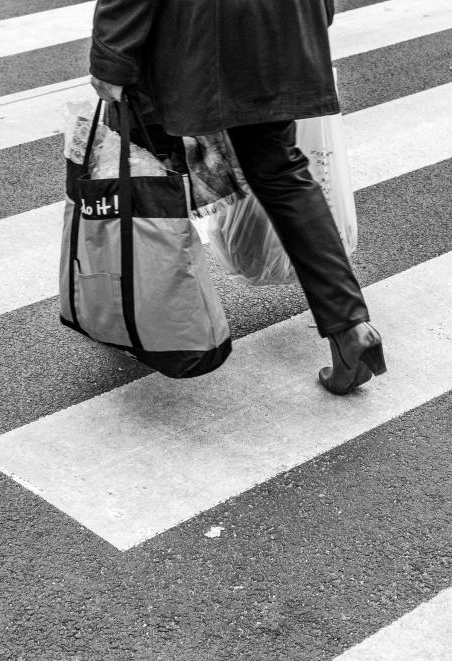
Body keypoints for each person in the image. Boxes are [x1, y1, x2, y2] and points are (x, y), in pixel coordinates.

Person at [88, 0, 386, 395]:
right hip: (279, 21)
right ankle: (350, 327)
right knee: (282, 172)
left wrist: (112, 56)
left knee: (147, 169)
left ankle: (142, 317)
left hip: (190, 31)